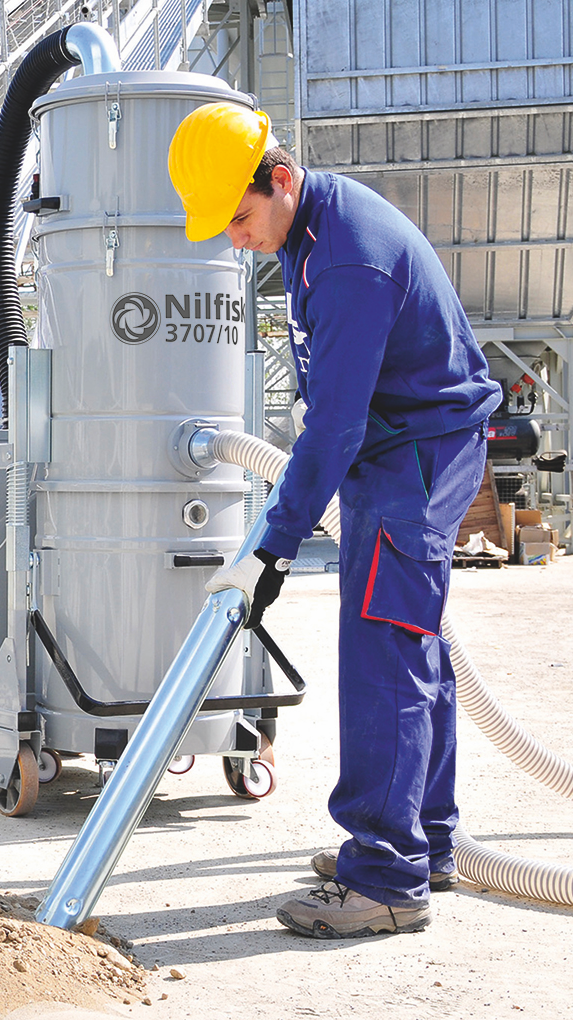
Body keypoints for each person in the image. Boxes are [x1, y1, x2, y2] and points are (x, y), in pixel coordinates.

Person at [167, 103, 503, 938]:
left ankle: (386, 879)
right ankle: (422, 844)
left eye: (240, 218)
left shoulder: (348, 260)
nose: (235, 239)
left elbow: (336, 426)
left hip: (412, 457)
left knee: (383, 649)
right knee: (409, 643)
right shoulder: (306, 235)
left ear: (280, 179)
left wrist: (271, 551)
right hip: (395, 451)